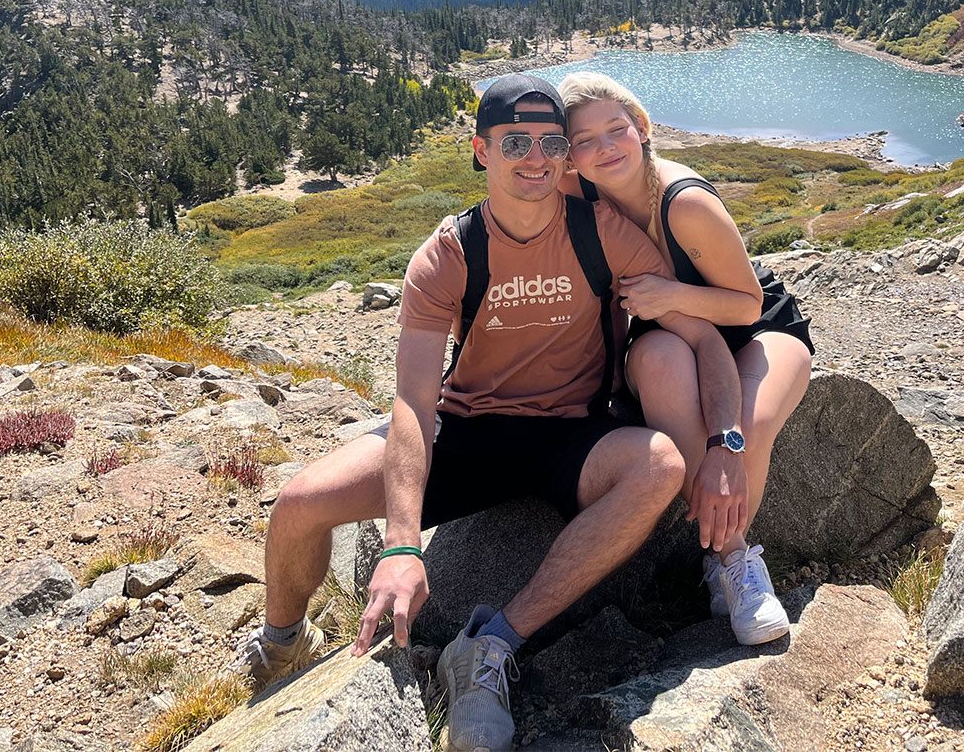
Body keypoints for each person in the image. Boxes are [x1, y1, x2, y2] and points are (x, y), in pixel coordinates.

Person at [229, 74, 748, 752]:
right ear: (481, 149)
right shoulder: (448, 253)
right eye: (516, 142)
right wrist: (402, 542)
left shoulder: (606, 235)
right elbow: (413, 402)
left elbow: (705, 337)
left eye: (551, 142)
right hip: (466, 432)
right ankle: (282, 646)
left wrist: (727, 443)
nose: (536, 157)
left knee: (658, 465)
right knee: (297, 505)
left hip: (572, 431)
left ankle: (490, 644)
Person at [558, 71, 815, 647]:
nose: (605, 148)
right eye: (584, 140)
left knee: (747, 425)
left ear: (643, 129)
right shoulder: (578, 191)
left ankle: (735, 566)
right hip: (666, 329)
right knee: (662, 372)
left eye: (617, 130)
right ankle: (726, 557)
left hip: (752, 323)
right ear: (571, 156)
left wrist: (674, 295)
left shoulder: (686, 203)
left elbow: (747, 302)